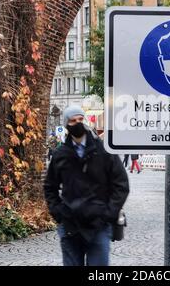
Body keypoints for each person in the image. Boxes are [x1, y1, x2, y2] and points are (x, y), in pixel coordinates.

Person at [44, 105, 129, 266]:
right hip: (70, 225)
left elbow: (121, 184)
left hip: (99, 225)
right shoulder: (60, 155)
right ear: (66, 124)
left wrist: (109, 213)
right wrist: (59, 213)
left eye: (80, 119)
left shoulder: (103, 151)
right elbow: (50, 187)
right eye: (73, 120)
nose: (77, 123)